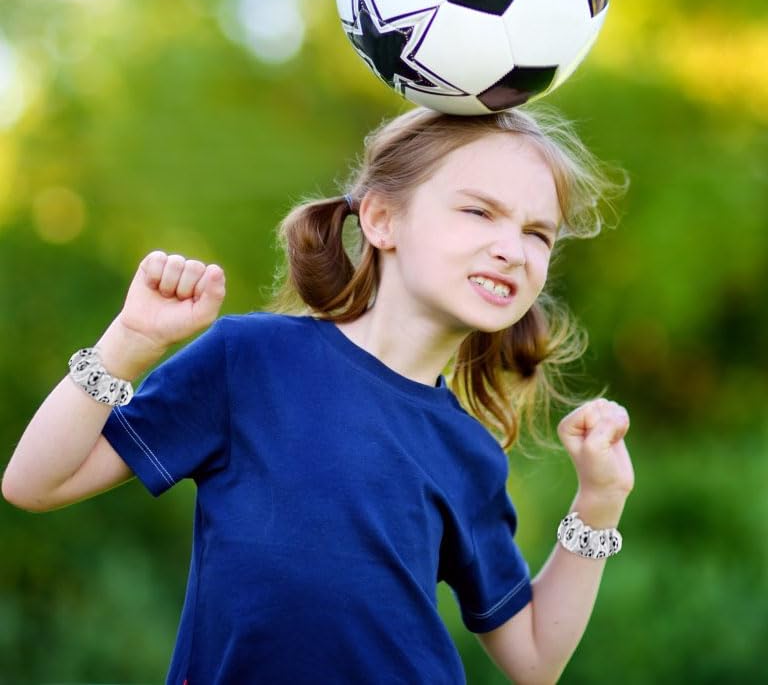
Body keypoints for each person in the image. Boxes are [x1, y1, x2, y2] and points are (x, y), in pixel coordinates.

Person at [3, 105, 634, 685]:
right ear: (383, 220)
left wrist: (600, 502)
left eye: (538, 234)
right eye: (479, 211)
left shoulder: (469, 452)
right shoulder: (249, 361)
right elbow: (34, 484)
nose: (511, 250)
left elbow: (533, 660)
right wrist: (128, 344)